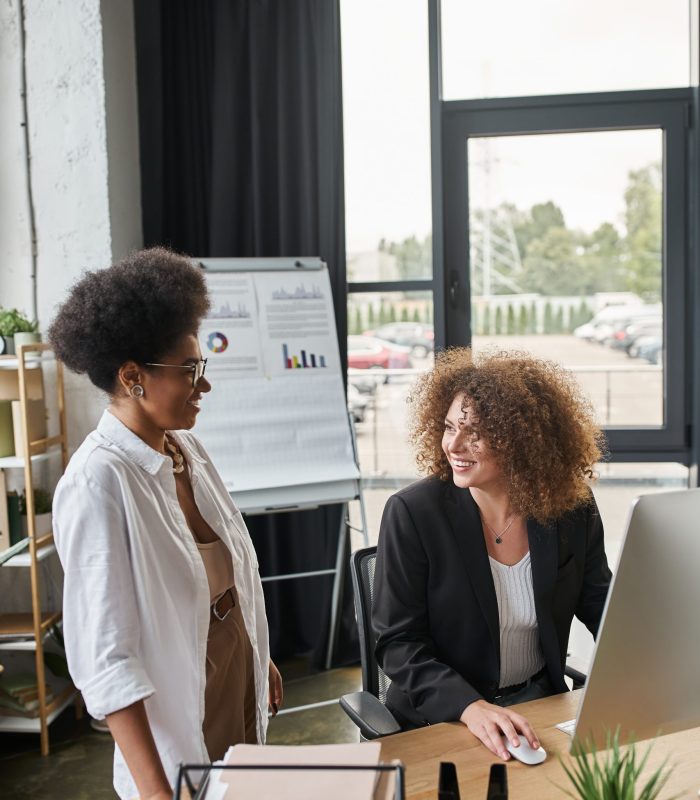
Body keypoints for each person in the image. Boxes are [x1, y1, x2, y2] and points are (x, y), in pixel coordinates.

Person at [48, 248, 283, 800]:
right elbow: (105, 661)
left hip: (231, 673)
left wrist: (258, 652)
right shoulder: (97, 483)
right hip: (176, 714)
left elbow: (229, 570)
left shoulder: (187, 449)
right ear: (132, 377)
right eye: (189, 371)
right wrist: (158, 793)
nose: (203, 384)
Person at [372, 347, 612, 761]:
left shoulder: (571, 509)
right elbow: (398, 642)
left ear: (522, 439)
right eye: (449, 427)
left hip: (539, 704)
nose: (455, 445)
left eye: (475, 432)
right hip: (445, 715)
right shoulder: (414, 513)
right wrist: (470, 707)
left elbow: (602, 604)